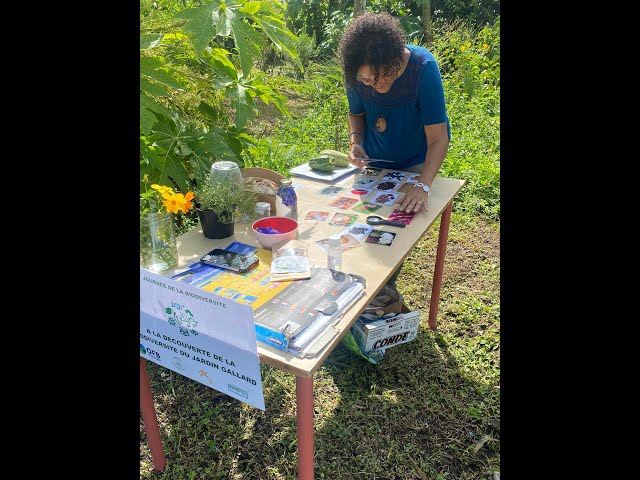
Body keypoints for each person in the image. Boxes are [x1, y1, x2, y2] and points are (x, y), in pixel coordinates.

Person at [337, 12, 451, 287]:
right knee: (360, 225)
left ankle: (382, 292)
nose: (376, 86)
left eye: (382, 77)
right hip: (376, 159)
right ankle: (370, 291)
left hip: (415, 161)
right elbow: (357, 114)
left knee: (393, 233)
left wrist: (423, 184)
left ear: (395, 58)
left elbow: (438, 138)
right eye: (367, 81)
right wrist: (356, 142)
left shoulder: (423, 68)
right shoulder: (357, 75)